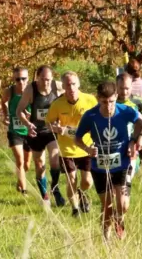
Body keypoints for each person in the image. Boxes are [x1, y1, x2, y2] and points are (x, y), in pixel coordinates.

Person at [74, 82, 142, 240]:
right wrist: (88, 149)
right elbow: (77, 139)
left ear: (116, 97)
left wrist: (136, 139)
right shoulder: (90, 116)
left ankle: (119, 220)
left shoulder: (125, 111)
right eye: (104, 102)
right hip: (99, 167)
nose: (108, 106)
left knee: (123, 205)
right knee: (107, 206)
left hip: (122, 163)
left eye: (112, 102)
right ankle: (106, 239)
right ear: (98, 99)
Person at [46, 71, 97, 217]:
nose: (71, 88)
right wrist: (55, 128)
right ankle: (75, 209)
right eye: (68, 85)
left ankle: (81, 193)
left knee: (87, 181)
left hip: (86, 146)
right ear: (63, 86)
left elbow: (98, 116)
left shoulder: (89, 100)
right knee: (71, 179)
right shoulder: (57, 104)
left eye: (74, 84)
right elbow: (48, 122)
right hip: (66, 149)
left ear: (78, 84)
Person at [16, 65, 66, 207]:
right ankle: (44, 194)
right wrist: (27, 124)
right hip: (35, 131)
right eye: (43, 79)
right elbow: (19, 110)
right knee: (39, 165)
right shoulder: (31, 89)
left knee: (55, 160)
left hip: (51, 130)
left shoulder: (58, 87)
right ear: (37, 78)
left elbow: (70, 100)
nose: (46, 83)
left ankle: (55, 188)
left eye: (48, 80)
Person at [2, 67, 33, 194]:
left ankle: (20, 180)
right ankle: (24, 191)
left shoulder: (33, 91)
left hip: (30, 131)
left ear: (28, 78)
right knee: (19, 159)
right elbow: (3, 102)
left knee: (26, 165)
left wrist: (30, 116)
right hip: (15, 131)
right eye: (17, 79)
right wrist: (6, 115)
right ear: (14, 79)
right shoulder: (9, 91)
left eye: (23, 79)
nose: (21, 82)